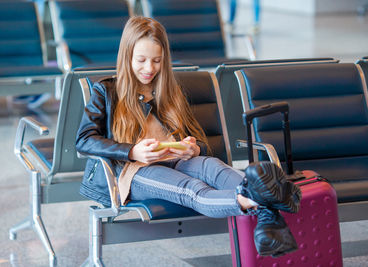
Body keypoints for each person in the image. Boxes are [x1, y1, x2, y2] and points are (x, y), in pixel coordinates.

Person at [76, 16, 300, 257]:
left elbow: (200, 141)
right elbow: (84, 140)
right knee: (191, 189)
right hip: (133, 170)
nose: (149, 68)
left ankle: (266, 204)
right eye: (141, 60)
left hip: (176, 160)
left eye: (157, 61)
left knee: (212, 166)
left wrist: (194, 149)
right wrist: (132, 151)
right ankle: (256, 201)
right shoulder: (106, 91)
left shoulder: (169, 92)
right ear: (127, 57)